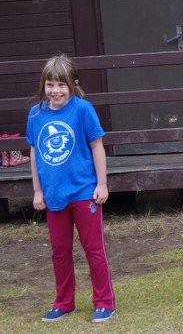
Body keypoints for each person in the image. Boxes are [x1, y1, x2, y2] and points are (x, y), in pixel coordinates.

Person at [27, 55, 116, 323]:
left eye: (61, 85)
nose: (55, 91)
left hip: (84, 191)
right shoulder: (36, 114)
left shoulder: (83, 109)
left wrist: (101, 184)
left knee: (93, 249)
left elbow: (97, 146)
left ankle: (104, 302)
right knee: (59, 251)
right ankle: (64, 302)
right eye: (50, 85)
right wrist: (38, 191)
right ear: (44, 85)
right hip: (54, 194)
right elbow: (35, 152)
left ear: (73, 84)